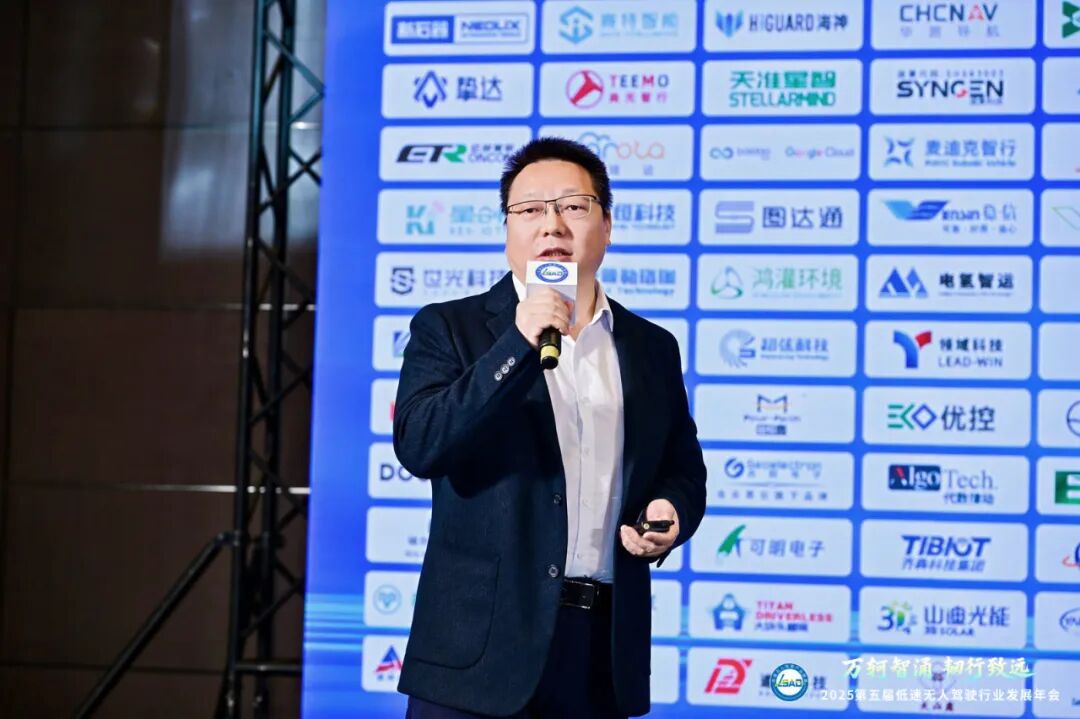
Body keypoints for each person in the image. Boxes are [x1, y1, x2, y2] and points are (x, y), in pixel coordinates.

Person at [392, 137, 706, 718]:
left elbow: (682, 468)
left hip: (600, 652)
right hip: (478, 656)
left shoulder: (651, 347)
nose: (552, 224)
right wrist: (518, 341)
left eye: (573, 207)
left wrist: (670, 510)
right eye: (530, 209)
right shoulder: (450, 327)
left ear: (606, 226)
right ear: (508, 231)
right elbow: (421, 443)